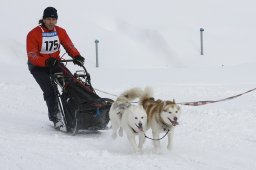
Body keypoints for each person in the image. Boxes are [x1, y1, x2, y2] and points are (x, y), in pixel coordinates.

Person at [26, 7, 85, 129]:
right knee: (50, 90)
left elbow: (69, 45)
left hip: (55, 63)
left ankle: (83, 112)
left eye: (53, 19)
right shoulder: (33, 34)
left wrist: (77, 56)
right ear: (43, 19)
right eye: (48, 19)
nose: (51, 22)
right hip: (38, 67)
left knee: (72, 83)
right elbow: (32, 55)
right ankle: (55, 117)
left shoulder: (60, 31)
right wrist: (46, 61)